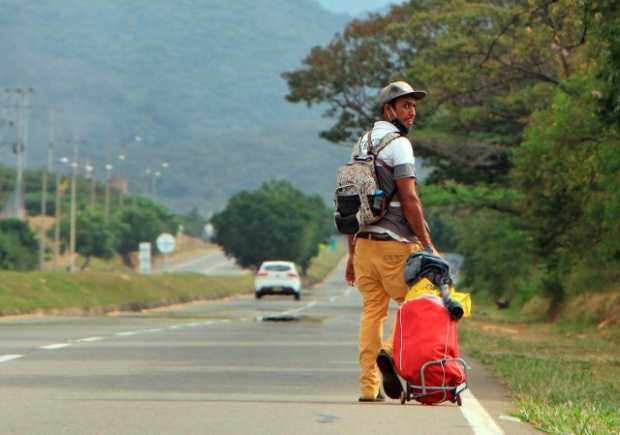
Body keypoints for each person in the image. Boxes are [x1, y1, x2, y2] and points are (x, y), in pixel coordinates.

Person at [346, 81, 438, 402]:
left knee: (372, 311)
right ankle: (389, 352)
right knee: (418, 302)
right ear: (389, 111)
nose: (412, 112)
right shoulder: (399, 145)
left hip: (364, 243)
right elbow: (410, 199)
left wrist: (350, 253)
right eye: (405, 106)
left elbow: (350, 202)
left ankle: (368, 387)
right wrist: (427, 243)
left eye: (413, 105)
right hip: (395, 243)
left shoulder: (360, 144)